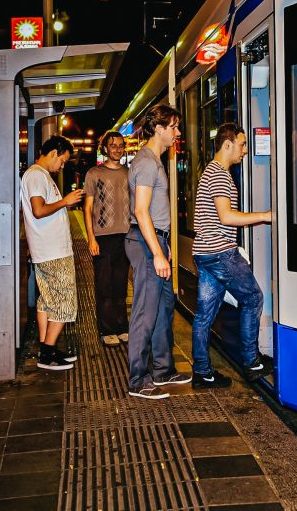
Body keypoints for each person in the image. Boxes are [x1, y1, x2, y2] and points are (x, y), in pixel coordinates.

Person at [191, 123, 273, 388]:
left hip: (205, 253)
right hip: (220, 253)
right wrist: (265, 216)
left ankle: (202, 372)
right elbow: (226, 216)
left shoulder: (210, 172)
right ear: (227, 145)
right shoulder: (220, 175)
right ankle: (251, 362)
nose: (245, 150)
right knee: (253, 297)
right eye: (242, 144)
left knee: (204, 316)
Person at [125, 104, 189, 400]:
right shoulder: (148, 163)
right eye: (174, 127)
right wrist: (158, 252)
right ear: (159, 129)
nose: (178, 132)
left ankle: (163, 370)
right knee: (145, 311)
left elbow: (155, 211)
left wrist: (166, 246)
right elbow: (140, 210)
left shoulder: (155, 160)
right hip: (145, 242)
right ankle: (138, 379)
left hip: (156, 241)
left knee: (164, 309)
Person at [20, 135, 84, 371]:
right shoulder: (37, 175)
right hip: (52, 251)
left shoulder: (37, 175)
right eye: (63, 160)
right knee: (64, 300)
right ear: (55, 153)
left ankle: (47, 348)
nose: (63, 165)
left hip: (46, 250)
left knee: (47, 300)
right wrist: (65, 202)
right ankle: (47, 353)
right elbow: (38, 210)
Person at [83, 131, 130, 347]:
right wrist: (91, 238)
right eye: (113, 146)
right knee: (104, 287)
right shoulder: (94, 173)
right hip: (102, 237)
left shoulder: (130, 173)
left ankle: (122, 326)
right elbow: (88, 207)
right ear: (105, 148)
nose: (118, 149)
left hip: (126, 236)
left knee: (121, 286)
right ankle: (106, 330)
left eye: (121, 145)